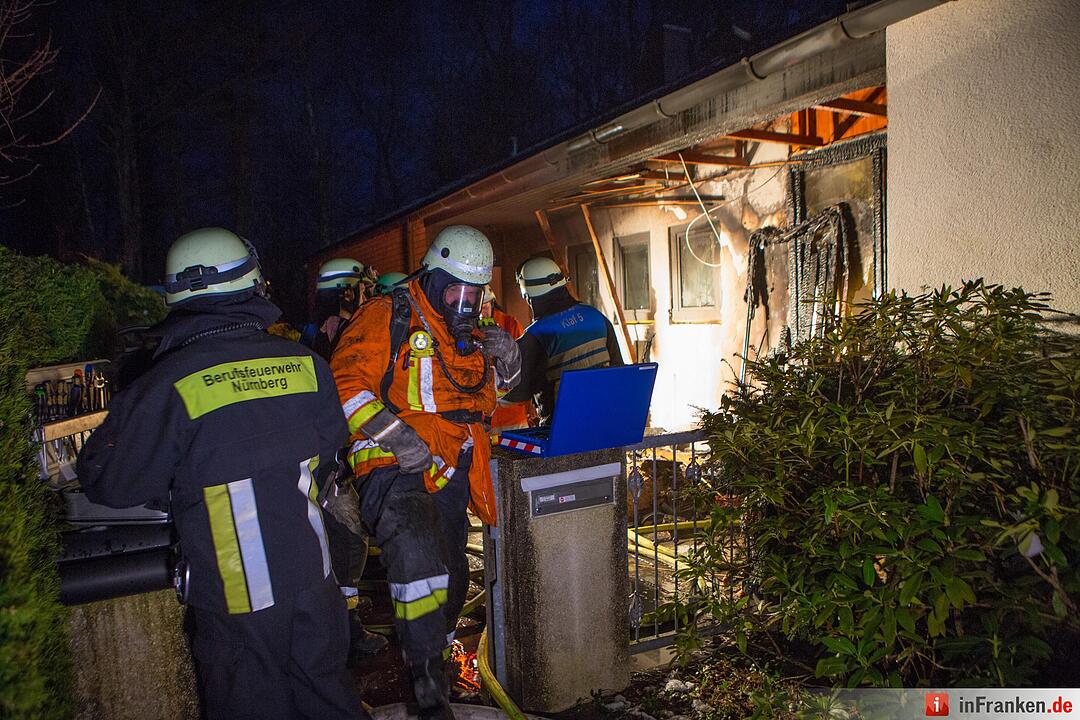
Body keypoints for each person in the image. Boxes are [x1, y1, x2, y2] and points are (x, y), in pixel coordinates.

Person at [76, 228, 366, 720]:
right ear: (253, 284)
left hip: (237, 606)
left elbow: (110, 482)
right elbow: (331, 450)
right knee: (329, 701)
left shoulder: (166, 383)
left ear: (175, 294)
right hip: (314, 583)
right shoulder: (306, 364)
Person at [329, 225, 520, 720]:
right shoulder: (385, 316)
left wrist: (510, 366)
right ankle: (429, 690)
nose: (463, 302)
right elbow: (342, 384)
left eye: (473, 293)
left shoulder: (475, 334)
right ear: (431, 277)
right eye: (454, 289)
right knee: (417, 555)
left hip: (454, 468)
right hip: (394, 464)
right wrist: (395, 436)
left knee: (453, 578)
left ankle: (437, 651)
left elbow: (482, 402)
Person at [304, 259, 390, 661]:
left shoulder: (314, 334)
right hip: (326, 463)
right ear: (346, 292)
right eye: (363, 288)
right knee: (348, 539)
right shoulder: (336, 335)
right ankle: (346, 632)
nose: (368, 296)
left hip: (324, 459)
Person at [503, 255, 623, 425]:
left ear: (529, 296)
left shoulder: (536, 335)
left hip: (564, 433)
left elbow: (520, 392)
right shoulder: (596, 316)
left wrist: (491, 396)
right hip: (608, 422)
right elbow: (619, 369)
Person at [480, 286, 531, 430]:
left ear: (492, 304)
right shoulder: (462, 331)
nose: (481, 314)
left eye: (484, 307)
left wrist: (528, 407)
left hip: (513, 419)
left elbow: (523, 368)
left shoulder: (510, 324)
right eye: (475, 308)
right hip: (481, 422)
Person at [303, 258, 368, 359]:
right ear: (347, 294)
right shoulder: (341, 333)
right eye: (362, 292)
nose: (365, 298)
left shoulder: (318, 330)